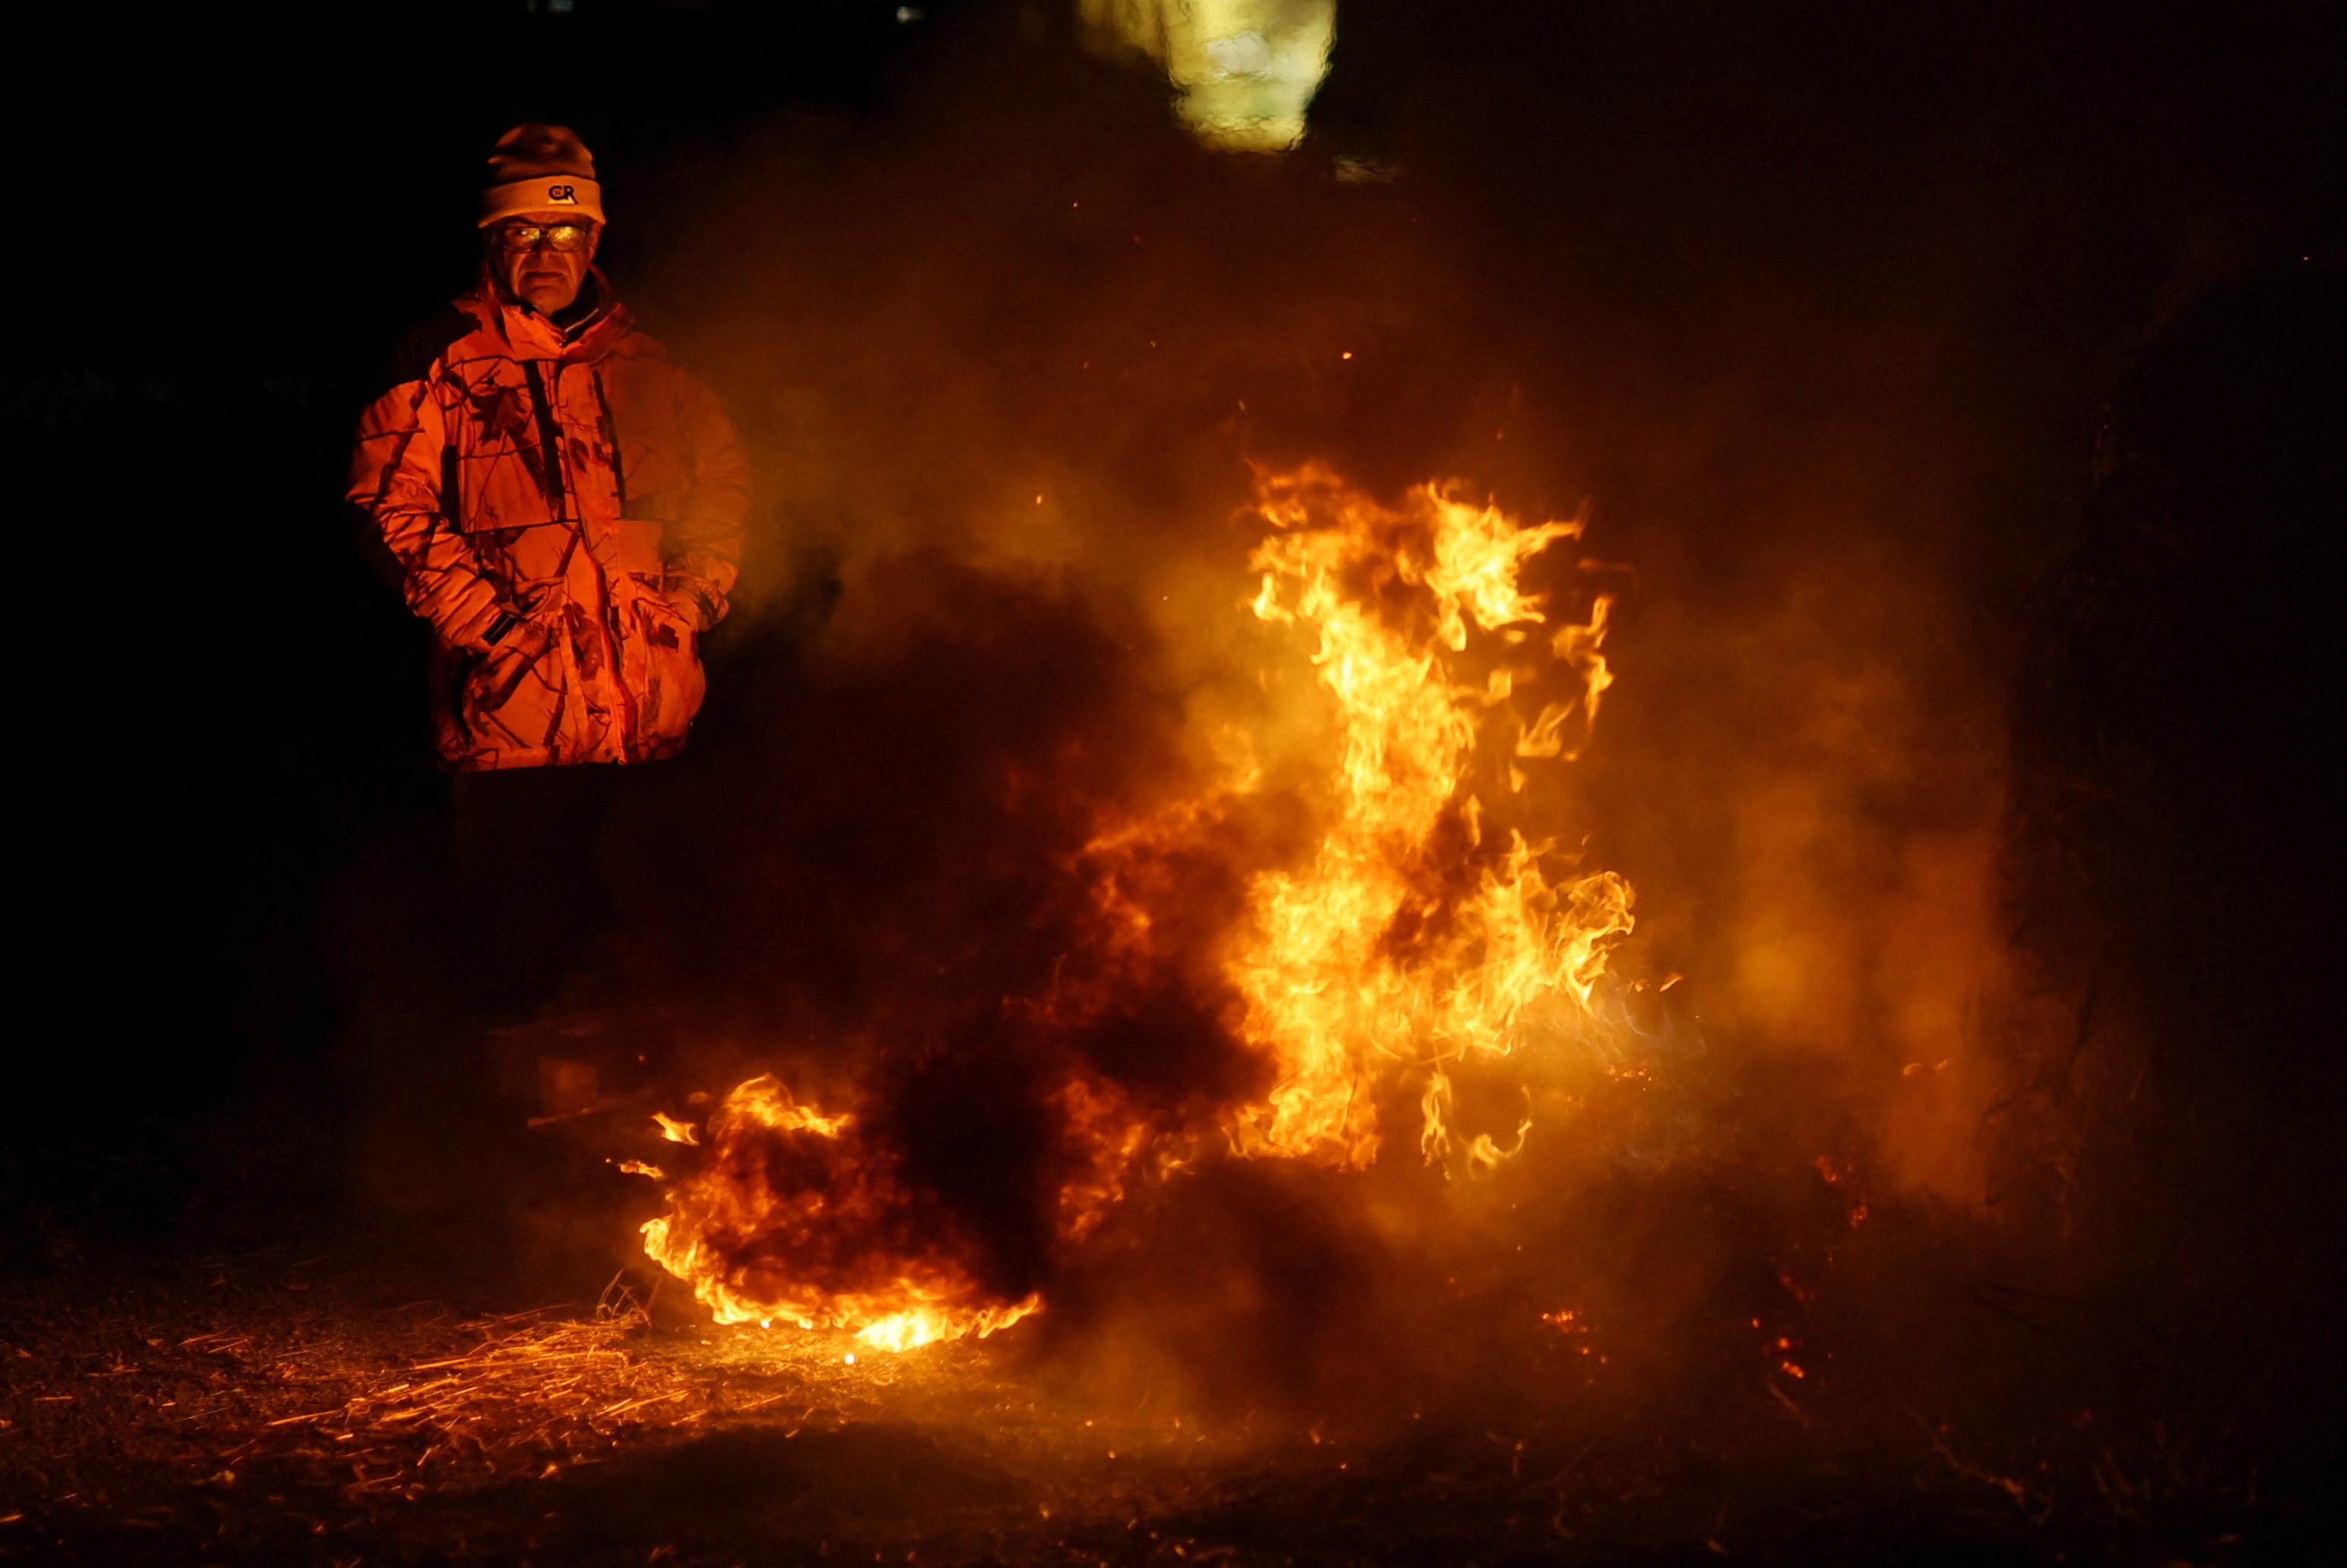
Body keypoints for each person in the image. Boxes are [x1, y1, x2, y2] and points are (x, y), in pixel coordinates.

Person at [348, 122, 749, 1018]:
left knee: (656, 961)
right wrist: (493, 634)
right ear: (493, 240)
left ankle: (656, 1140)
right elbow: (385, 505)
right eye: (525, 231)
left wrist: (687, 601)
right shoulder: (438, 357)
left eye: (566, 232)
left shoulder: (657, 361)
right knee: (525, 969)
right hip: (513, 727)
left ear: (595, 240)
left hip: (648, 722)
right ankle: (519, 1146)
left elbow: (722, 484)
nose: (546, 252)